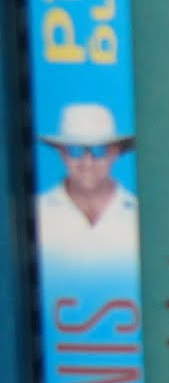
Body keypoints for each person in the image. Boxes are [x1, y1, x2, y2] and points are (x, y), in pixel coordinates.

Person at [35, 102, 138, 267]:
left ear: (115, 152)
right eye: (75, 151)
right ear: (61, 153)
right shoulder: (35, 213)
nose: (87, 162)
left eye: (99, 150)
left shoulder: (140, 215)